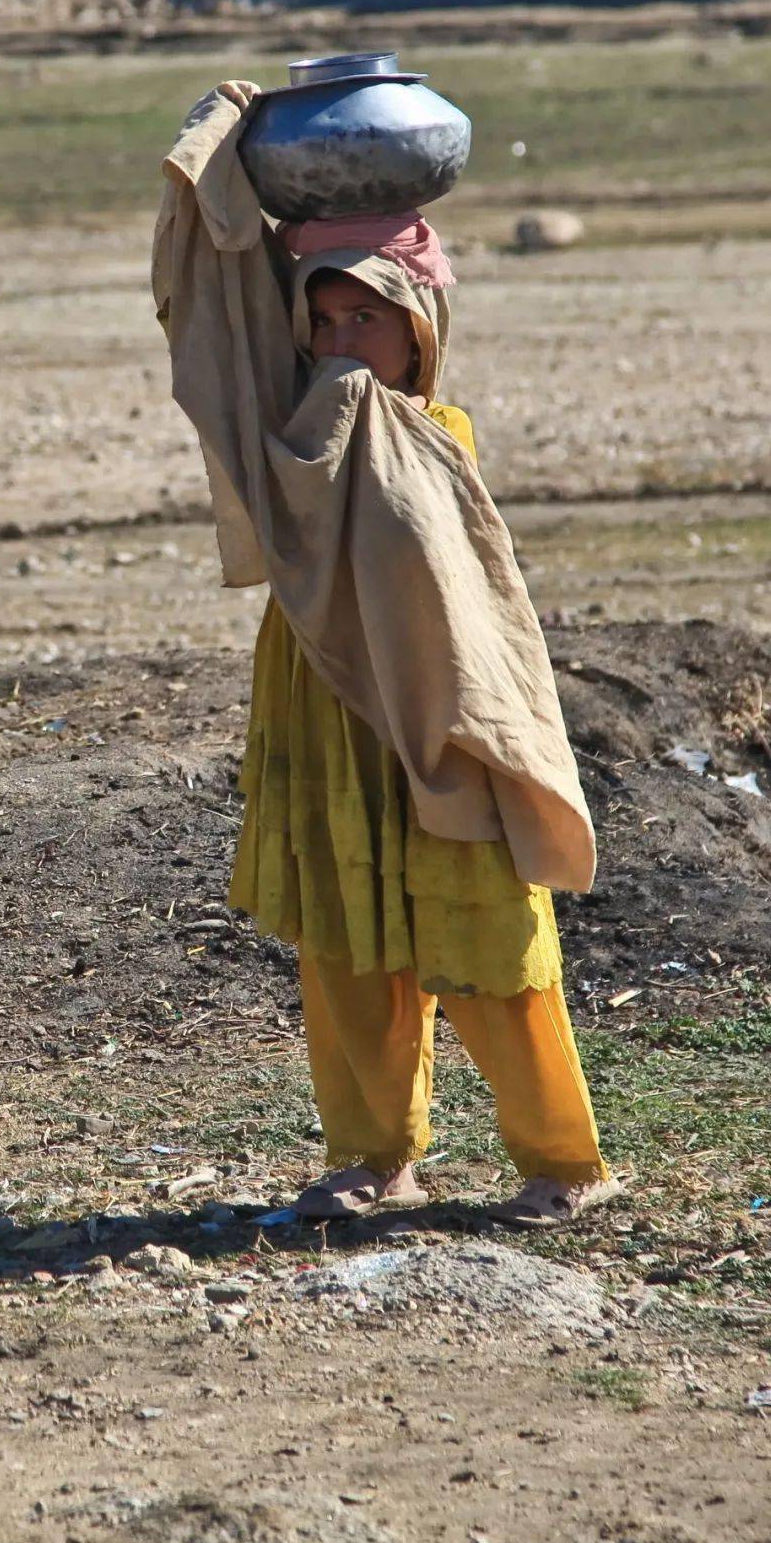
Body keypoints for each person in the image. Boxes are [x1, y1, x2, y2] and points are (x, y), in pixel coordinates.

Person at [153, 81, 621, 1226]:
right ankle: (375, 1157)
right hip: (322, 704)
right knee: (345, 948)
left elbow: (468, 602)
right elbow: (210, 299)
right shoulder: (289, 431)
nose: (342, 341)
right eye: (325, 319)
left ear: (421, 329)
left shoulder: (434, 438)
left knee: (489, 944)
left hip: (437, 714)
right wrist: (228, 132)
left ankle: (563, 1163)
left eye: (368, 318)